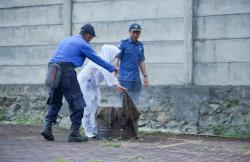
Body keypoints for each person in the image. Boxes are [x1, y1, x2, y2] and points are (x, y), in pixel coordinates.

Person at [41, 24, 118, 142]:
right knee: (78, 103)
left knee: (54, 101)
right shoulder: (83, 44)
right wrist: (112, 68)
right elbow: (96, 59)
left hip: (53, 71)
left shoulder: (67, 39)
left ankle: (47, 127)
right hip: (66, 72)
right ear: (87, 35)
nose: (91, 40)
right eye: (91, 37)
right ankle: (74, 133)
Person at [77, 45, 127, 138]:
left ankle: (94, 128)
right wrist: (116, 84)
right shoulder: (99, 59)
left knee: (96, 106)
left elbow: (110, 73)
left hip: (94, 85)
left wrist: (117, 83)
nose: (115, 57)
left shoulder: (106, 62)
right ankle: (87, 131)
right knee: (87, 107)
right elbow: (106, 72)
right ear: (110, 53)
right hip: (85, 83)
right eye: (115, 55)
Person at [115, 23, 149, 104]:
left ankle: (132, 117)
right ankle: (123, 117)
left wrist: (145, 76)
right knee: (123, 102)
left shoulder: (140, 46)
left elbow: (141, 62)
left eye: (138, 33)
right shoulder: (123, 44)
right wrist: (115, 75)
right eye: (134, 32)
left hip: (136, 79)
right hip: (124, 79)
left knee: (135, 102)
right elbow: (117, 59)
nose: (135, 34)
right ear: (129, 32)